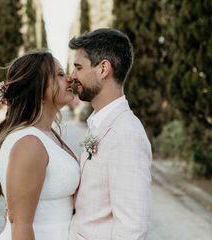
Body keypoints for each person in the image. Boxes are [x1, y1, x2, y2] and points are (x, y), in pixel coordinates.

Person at [68, 28, 152, 240]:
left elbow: (132, 229)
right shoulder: (100, 123)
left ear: (103, 68)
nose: (72, 76)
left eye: (78, 67)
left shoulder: (126, 134)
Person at [0, 50, 80, 240]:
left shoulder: (47, 135)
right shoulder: (29, 143)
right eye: (60, 74)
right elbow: (20, 225)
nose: (70, 79)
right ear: (38, 87)